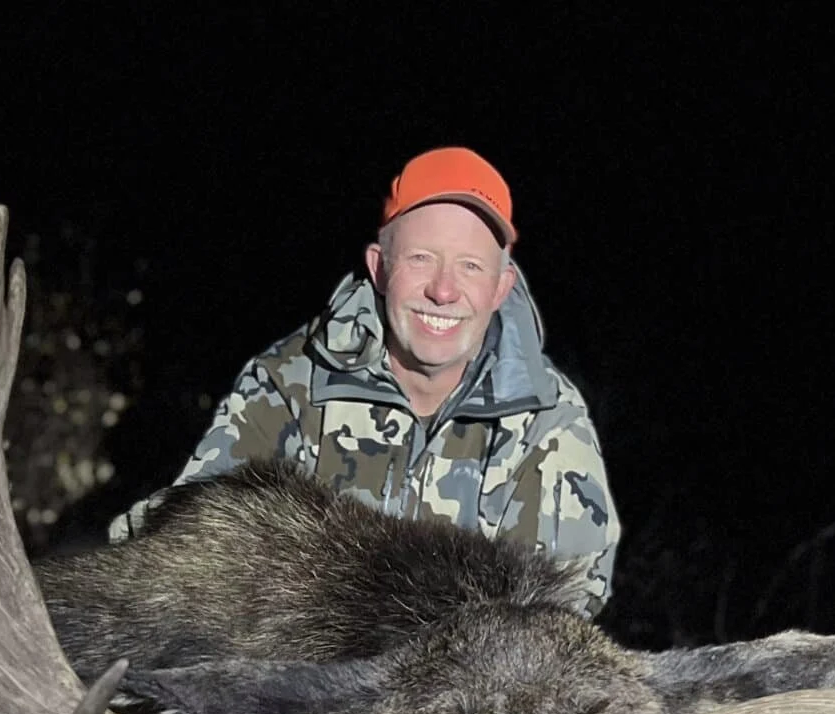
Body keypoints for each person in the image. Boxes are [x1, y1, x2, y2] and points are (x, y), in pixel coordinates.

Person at [109, 148, 620, 614]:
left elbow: (562, 619)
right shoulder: (290, 384)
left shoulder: (552, 423)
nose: (443, 291)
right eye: (421, 258)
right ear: (379, 267)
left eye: (470, 266)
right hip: (294, 668)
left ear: (501, 287)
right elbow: (192, 539)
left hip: (465, 676)